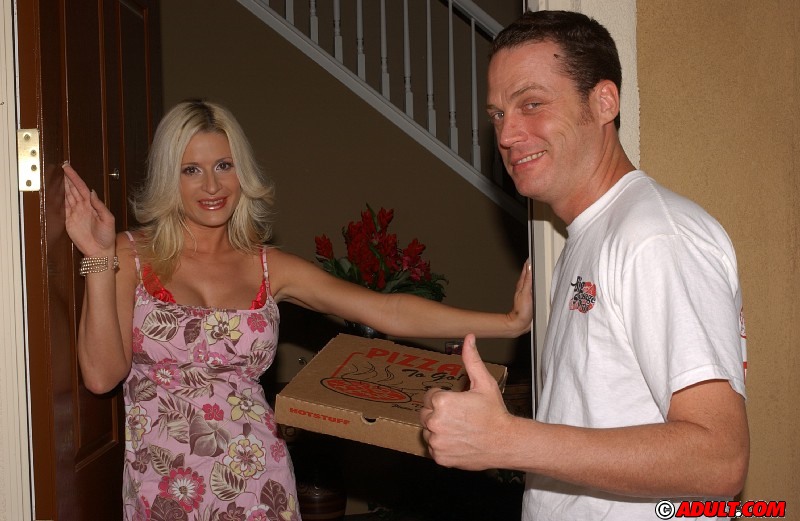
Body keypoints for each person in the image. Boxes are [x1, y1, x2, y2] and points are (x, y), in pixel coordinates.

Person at [63, 99, 532, 521]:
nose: (212, 185)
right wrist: (97, 257)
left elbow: (386, 310)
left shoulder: (270, 267)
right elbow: (102, 376)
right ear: (170, 178)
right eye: (191, 170)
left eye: (224, 165)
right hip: (165, 487)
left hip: (257, 481)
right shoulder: (128, 255)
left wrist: (508, 322)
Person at [419, 10, 749, 520]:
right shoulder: (588, 235)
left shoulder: (654, 237)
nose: (507, 134)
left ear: (604, 102)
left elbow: (719, 459)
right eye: (498, 114)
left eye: (531, 104)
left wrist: (507, 440)